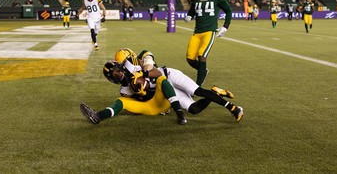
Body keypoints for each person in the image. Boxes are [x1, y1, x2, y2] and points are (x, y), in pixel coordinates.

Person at [80, 50, 243, 125]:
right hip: (164, 92)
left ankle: (233, 108)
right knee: (194, 109)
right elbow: (141, 100)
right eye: (114, 76)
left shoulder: (135, 65)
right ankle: (215, 92)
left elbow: (147, 53)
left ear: (122, 66)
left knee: (196, 90)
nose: (118, 75)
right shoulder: (124, 90)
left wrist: (148, 66)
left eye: (117, 71)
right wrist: (141, 93)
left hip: (169, 75)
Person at [184, 0, 232, 86]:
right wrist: (190, 15)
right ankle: (203, 70)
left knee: (202, 55)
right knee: (190, 58)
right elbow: (192, 9)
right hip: (197, 32)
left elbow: (228, 11)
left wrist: (225, 27)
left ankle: (198, 85)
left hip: (209, 31)